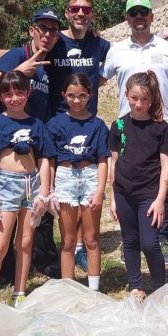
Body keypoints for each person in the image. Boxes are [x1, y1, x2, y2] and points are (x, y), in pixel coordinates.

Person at [102, 0, 168, 267]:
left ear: (151, 16)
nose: (139, 16)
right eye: (133, 12)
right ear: (127, 18)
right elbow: (98, 81)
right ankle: (134, 236)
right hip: (128, 125)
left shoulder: (166, 47)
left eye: (143, 12)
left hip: (162, 123)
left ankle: (161, 236)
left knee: (162, 172)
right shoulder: (116, 50)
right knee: (131, 173)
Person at [0, 7, 62, 279]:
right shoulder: (19, 55)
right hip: (8, 144)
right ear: (32, 30)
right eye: (43, 28)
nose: (48, 34)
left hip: (36, 139)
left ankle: (38, 262)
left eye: (53, 30)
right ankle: (3, 266)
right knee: (7, 212)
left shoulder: (51, 61)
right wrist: (20, 71)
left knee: (37, 208)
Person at [47, 0, 111, 271]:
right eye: (75, 8)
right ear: (67, 12)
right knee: (56, 199)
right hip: (56, 125)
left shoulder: (100, 44)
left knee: (84, 207)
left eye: (86, 9)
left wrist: (164, 38)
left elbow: (123, 57)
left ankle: (82, 251)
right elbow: (29, 50)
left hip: (87, 127)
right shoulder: (55, 41)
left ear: (92, 14)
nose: (80, 13)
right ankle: (52, 254)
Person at [0, 71, 52, 304]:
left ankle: (20, 292)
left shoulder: (37, 124)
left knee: (26, 241)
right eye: (9, 94)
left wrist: (45, 192)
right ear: (1, 96)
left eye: (20, 93)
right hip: (7, 186)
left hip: (32, 185)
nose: (15, 98)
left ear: (28, 93)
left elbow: (44, 160)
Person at [108, 71, 168, 300]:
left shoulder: (162, 129)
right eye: (134, 98)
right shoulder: (118, 126)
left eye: (144, 99)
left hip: (150, 195)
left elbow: (167, 166)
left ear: (153, 99)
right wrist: (113, 197)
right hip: (124, 193)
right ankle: (135, 284)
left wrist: (160, 199)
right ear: (126, 95)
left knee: (150, 243)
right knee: (130, 241)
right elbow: (114, 163)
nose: (139, 104)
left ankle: (160, 287)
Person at [47, 74, 109, 290]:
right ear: (64, 95)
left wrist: (100, 190)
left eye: (82, 96)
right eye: (71, 96)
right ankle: (68, 289)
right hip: (65, 180)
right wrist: (50, 189)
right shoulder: (55, 124)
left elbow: (103, 160)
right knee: (68, 240)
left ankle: (94, 290)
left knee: (91, 238)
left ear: (90, 96)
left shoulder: (98, 125)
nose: (76, 100)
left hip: (90, 178)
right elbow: (50, 161)